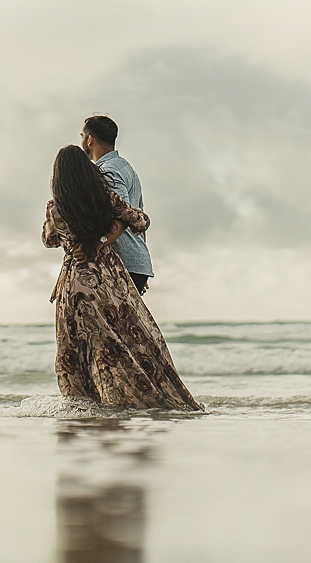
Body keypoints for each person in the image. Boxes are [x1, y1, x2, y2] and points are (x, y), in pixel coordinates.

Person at [42, 145, 202, 411]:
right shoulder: (103, 198)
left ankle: (84, 404)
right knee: (119, 340)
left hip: (73, 282)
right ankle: (133, 398)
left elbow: (49, 240)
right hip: (107, 278)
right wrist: (104, 236)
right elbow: (140, 220)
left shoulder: (54, 208)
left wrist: (69, 238)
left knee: (77, 345)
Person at [80, 116, 153, 296]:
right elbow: (138, 216)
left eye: (82, 135)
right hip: (133, 263)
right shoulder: (126, 168)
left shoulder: (108, 171)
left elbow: (124, 216)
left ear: (90, 139)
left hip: (122, 263)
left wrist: (97, 245)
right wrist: (138, 265)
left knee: (104, 323)